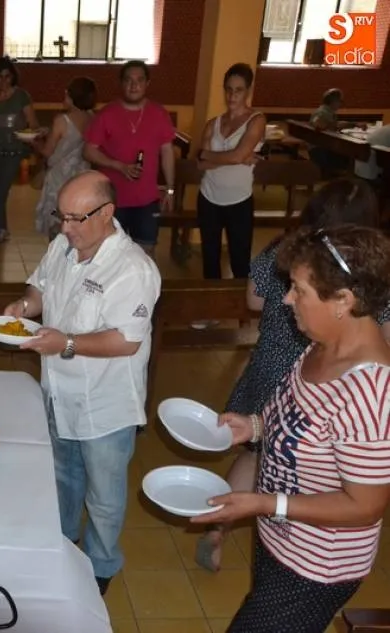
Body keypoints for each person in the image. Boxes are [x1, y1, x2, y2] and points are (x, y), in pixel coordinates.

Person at [191, 224, 390, 632]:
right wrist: (254, 426)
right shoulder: (321, 345)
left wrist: (265, 503)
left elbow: (365, 505)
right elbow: (301, 422)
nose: (285, 298)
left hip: (315, 568)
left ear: (343, 301)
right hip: (280, 540)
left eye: (298, 289)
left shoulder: (371, 393)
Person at [3, 171, 161, 595]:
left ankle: (101, 565)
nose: (65, 227)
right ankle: (63, 542)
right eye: (62, 216)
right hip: (59, 390)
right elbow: (41, 288)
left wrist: (65, 342)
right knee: (63, 476)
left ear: (107, 212)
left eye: (76, 218)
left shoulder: (133, 269)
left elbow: (125, 341)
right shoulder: (63, 245)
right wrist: (24, 306)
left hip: (105, 402)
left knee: (104, 493)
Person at [84, 60, 176, 255]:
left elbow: (167, 152)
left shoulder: (159, 114)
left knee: (145, 253)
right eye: (128, 80)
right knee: (107, 254)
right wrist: (118, 166)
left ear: (147, 83)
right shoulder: (107, 114)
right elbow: (89, 151)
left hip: (146, 199)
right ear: (121, 83)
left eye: (139, 80)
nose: (134, 86)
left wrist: (169, 189)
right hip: (111, 198)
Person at [197, 63, 265, 280]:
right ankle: (210, 309)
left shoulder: (256, 120)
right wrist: (238, 158)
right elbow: (200, 164)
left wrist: (210, 155)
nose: (232, 95)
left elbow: (220, 156)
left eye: (238, 90)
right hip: (208, 197)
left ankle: (241, 312)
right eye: (228, 89)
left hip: (239, 201)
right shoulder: (213, 124)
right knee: (210, 258)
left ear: (248, 91)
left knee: (239, 261)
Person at [0, 56, 40, 243]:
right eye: (0, 77)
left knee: (2, 189)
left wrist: (30, 136)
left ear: (13, 77)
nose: (4, 81)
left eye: (7, 76)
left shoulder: (22, 96)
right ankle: (0, 226)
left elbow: (33, 122)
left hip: (14, 150)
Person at [31, 76, 97, 240]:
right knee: (76, 220)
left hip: (59, 179)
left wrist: (34, 142)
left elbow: (47, 152)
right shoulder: (92, 118)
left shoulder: (62, 120)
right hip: (82, 177)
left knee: (57, 220)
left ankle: (57, 255)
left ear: (71, 97)